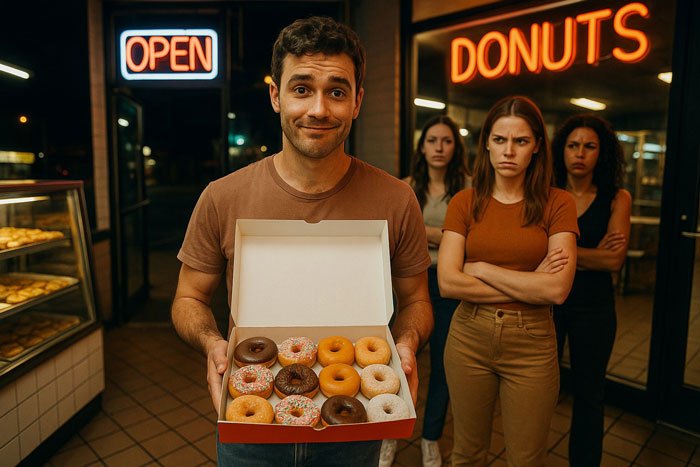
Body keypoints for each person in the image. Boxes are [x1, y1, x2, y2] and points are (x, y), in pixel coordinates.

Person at [171, 16, 433, 467]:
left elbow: (416, 302)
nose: (318, 109)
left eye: (337, 91)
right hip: (251, 437)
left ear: (357, 102)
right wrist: (213, 342)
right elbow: (188, 297)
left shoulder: (396, 199)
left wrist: (406, 341)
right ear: (276, 96)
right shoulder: (223, 197)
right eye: (301, 88)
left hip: (353, 428)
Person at [438, 95, 579, 466]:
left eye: (521, 141)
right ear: (486, 143)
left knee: (526, 459)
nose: (509, 151)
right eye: (500, 140)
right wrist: (528, 280)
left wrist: (481, 267)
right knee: (466, 453)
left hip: (532, 344)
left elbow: (556, 289)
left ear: (536, 147)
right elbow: (449, 283)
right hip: (468, 336)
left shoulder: (558, 203)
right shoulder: (465, 202)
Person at [380, 116, 470, 467]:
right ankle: (389, 433)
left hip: (449, 284)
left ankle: (430, 438)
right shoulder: (404, 188)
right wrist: (448, 234)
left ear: (455, 147)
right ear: (422, 145)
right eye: (432, 140)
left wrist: (426, 231)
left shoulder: (469, 189)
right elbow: (393, 238)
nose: (439, 147)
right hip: (406, 280)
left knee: (445, 366)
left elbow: (472, 241)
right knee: (400, 360)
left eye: (446, 141)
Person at [551, 114, 631, 467]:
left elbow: (614, 262)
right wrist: (591, 254)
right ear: (561, 150)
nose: (580, 153)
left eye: (589, 146)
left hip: (594, 309)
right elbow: (530, 249)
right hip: (549, 303)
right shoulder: (548, 194)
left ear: (603, 153)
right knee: (537, 390)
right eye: (572, 145)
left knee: (589, 395)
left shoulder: (618, 198)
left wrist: (557, 251)